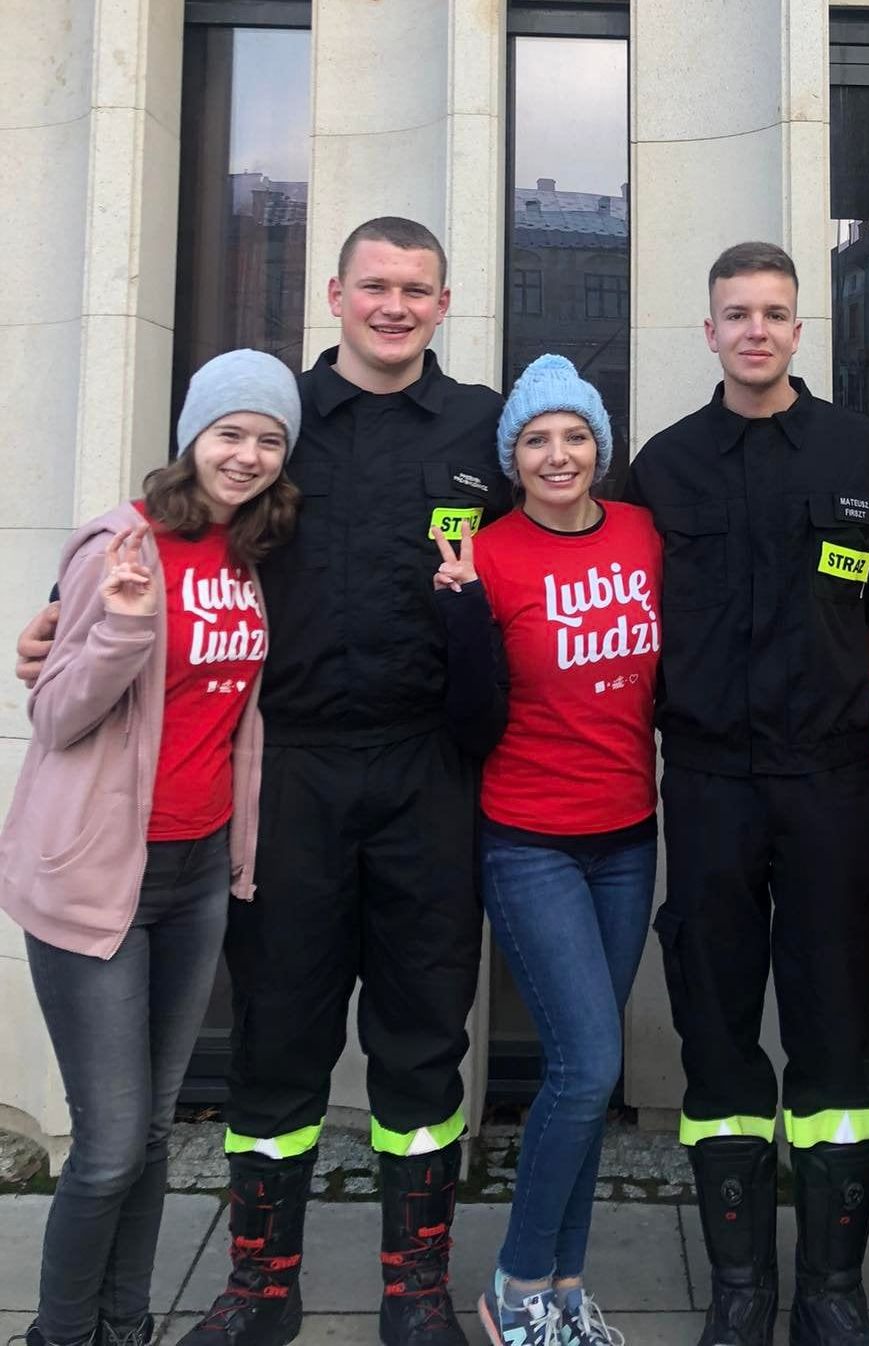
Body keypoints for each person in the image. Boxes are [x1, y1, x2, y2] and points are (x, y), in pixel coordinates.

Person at [16, 218, 511, 1346]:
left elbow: (552, 549)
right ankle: (259, 1285)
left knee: (425, 1034)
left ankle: (416, 1287)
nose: (394, 305)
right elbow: (166, 524)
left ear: (445, 302)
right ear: (334, 293)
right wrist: (59, 612)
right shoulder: (273, 419)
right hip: (282, 773)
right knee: (279, 1034)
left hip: (429, 772)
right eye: (374, 285)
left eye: (417, 289)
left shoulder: (481, 423)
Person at [622, 241, 869, 1346]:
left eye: (774, 312)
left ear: (799, 330)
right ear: (709, 331)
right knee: (718, 1029)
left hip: (830, 781)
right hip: (705, 785)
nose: (755, 329)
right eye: (735, 312)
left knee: (836, 1030)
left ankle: (831, 1291)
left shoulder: (852, 449)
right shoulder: (664, 463)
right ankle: (742, 1285)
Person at [0, 350, 300, 1346]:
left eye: (268, 439)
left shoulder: (249, 553)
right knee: (108, 1144)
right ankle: (61, 1332)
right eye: (231, 433)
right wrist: (123, 631)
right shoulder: (118, 544)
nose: (248, 454)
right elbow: (55, 712)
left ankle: (124, 1323)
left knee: (158, 1130)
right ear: (191, 438)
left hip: (196, 868)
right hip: (99, 874)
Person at [429, 354, 660, 1346]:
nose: (558, 454)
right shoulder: (489, 552)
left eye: (574, 436)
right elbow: (467, 706)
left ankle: (562, 1286)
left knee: (591, 1070)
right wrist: (458, 609)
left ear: (599, 449)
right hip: (529, 837)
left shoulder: (645, 533)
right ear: (512, 458)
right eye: (536, 439)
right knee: (583, 1062)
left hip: (627, 836)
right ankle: (516, 1284)